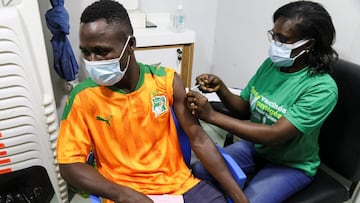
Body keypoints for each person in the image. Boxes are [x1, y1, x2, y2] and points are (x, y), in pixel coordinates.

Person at [55, 0, 248, 203]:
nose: (92, 61)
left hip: (179, 185)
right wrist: (122, 194)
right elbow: (69, 164)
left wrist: (239, 197)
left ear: (130, 45)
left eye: (102, 52)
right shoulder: (82, 97)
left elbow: (198, 139)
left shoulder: (166, 81)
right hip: (124, 191)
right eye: (86, 52)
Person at [186, 1, 338, 203]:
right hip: (257, 149)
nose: (275, 43)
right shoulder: (272, 66)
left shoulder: (321, 88)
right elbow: (244, 110)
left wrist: (211, 116)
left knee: (250, 200)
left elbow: (274, 135)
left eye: (283, 39)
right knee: (201, 169)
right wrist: (221, 88)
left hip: (291, 164)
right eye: (273, 35)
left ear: (308, 44)